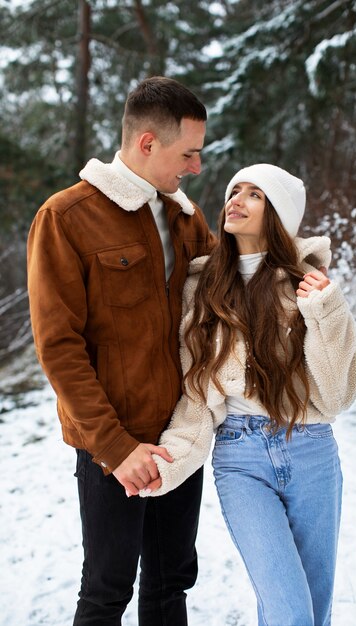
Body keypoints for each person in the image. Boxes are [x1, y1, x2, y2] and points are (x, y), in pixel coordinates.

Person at [139, 163, 356, 626]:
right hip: (241, 460)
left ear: (278, 213)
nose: (235, 200)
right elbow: (198, 395)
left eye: (254, 194)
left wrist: (326, 312)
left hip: (312, 451)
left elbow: (338, 393)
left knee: (314, 609)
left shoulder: (310, 283)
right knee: (290, 610)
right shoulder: (202, 287)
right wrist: (172, 458)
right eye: (234, 191)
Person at [27, 76, 216, 626]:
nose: (197, 168)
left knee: (171, 583)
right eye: (190, 153)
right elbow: (59, 348)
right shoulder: (66, 218)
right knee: (109, 589)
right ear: (148, 143)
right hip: (114, 445)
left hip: (177, 438)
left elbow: (225, 299)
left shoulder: (187, 219)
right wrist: (114, 448)